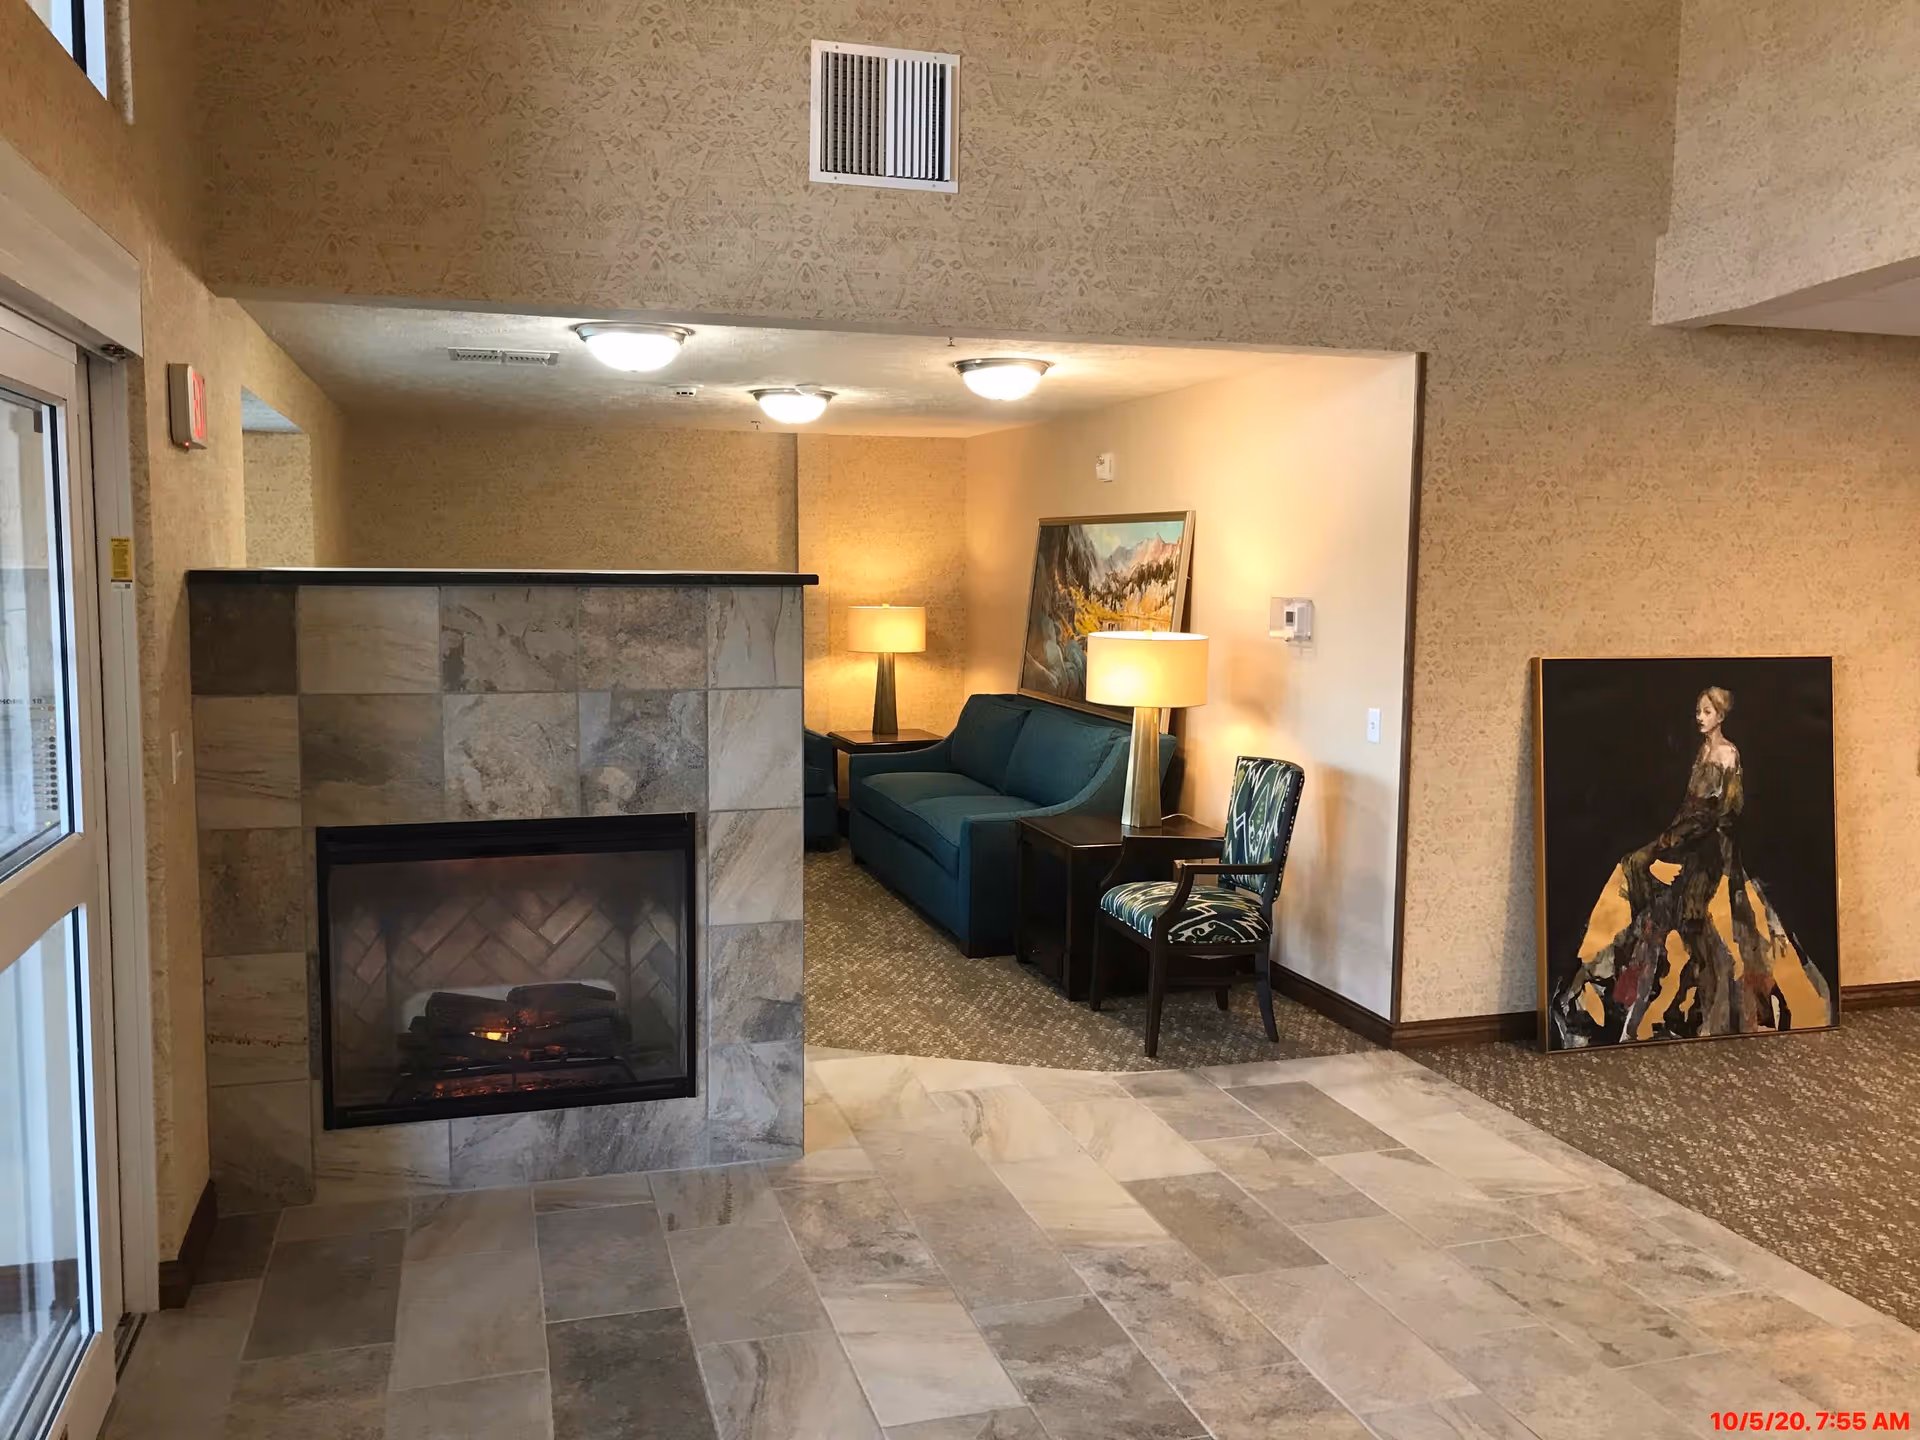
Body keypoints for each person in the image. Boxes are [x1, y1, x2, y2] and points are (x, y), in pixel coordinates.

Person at [1552, 686, 1812, 1046]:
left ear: (1720, 716)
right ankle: (1607, 987)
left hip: (1710, 849)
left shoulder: (1728, 754)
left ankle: (1659, 1000)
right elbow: (1688, 808)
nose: (1700, 717)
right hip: (1688, 839)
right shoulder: (1704, 751)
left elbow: (1719, 815)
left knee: (1674, 911)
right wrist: (1664, 844)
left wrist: (1674, 848)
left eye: (1707, 712)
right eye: (1698, 711)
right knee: (1632, 867)